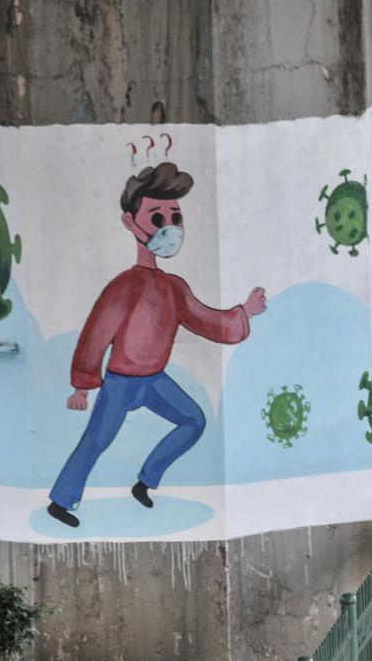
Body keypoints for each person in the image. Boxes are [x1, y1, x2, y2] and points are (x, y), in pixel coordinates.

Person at [46, 162, 268, 528]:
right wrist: (82, 386)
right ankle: (61, 501)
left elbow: (206, 320)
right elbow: (96, 333)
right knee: (96, 441)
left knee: (193, 420)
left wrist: (244, 312)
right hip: (120, 382)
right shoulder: (125, 286)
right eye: (157, 217)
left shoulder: (173, 287)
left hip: (155, 380)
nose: (169, 227)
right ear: (131, 223)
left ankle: (146, 480)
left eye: (175, 217)